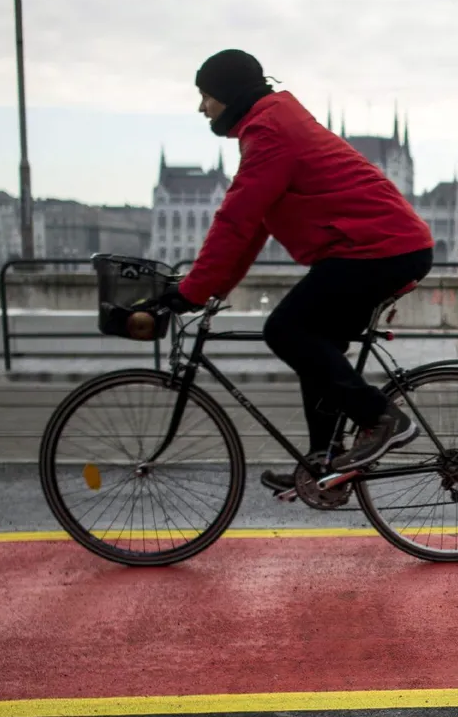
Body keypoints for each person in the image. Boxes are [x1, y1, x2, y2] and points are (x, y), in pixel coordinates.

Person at [160, 48, 435, 487]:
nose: (201, 107)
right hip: (376, 247)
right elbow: (249, 230)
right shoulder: (269, 124)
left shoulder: (269, 131)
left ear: (228, 94)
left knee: (285, 330)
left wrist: (192, 292)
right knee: (315, 346)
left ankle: (380, 418)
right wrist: (211, 289)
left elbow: (235, 218)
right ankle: (323, 465)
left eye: (205, 95)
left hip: (379, 249)